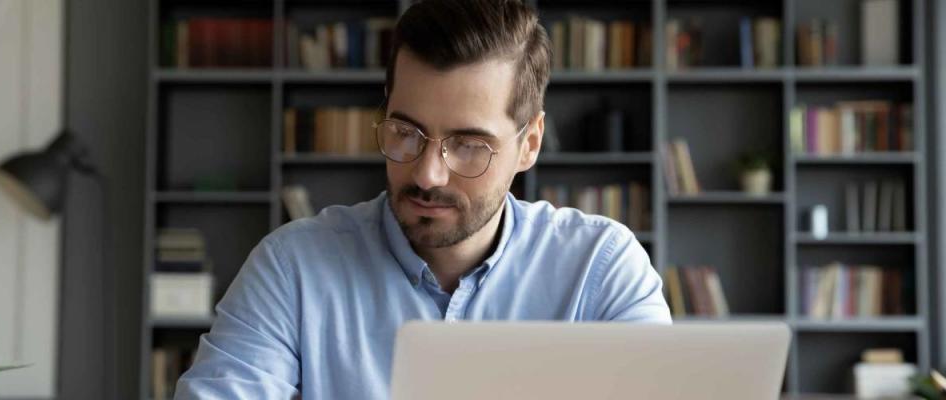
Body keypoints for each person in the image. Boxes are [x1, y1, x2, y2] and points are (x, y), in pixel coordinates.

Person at [174, 0, 670, 398]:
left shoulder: (601, 269)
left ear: (530, 143)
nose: (428, 174)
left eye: (470, 145)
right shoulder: (292, 268)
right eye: (406, 131)